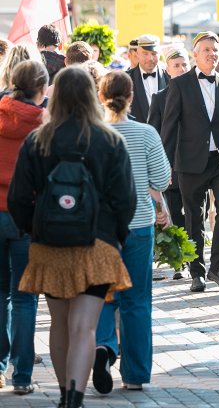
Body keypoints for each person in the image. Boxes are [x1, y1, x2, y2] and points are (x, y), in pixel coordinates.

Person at [8, 66, 136, 408]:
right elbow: (126, 199)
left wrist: (34, 230)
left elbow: (18, 198)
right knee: (84, 327)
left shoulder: (39, 140)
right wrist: (116, 237)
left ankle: (65, 392)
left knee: (59, 323)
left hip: (50, 246)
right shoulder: (110, 140)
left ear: (57, 96)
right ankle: (75, 399)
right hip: (98, 245)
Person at [92, 71, 170, 395]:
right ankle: (135, 373)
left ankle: (104, 347)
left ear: (100, 96)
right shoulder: (146, 133)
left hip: (100, 227)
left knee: (102, 296)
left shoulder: (91, 134)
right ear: (132, 97)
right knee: (137, 299)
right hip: (138, 223)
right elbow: (163, 179)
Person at [160, 32, 219, 293]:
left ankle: (218, 268)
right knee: (193, 219)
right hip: (190, 162)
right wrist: (165, 166)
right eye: (206, 50)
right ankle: (196, 271)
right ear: (195, 55)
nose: (212, 54)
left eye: (215, 50)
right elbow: (170, 127)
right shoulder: (180, 85)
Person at [0, 61, 47, 395]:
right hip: (27, 217)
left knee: (0, 293)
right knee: (25, 297)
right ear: (41, 89)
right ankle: (22, 376)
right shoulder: (44, 126)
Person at [147, 48, 189, 239]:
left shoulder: (202, 94)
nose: (181, 69)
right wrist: (160, 165)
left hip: (196, 163)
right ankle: (182, 260)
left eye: (184, 64)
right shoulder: (160, 98)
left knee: (196, 213)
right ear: (167, 70)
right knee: (176, 211)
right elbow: (154, 134)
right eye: (176, 66)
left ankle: (194, 251)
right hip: (171, 164)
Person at [126, 34, 169, 124]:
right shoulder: (126, 79)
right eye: (145, 53)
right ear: (137, 53)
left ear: (159, 54)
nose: (150, 58)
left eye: (154, 54)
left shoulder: (170, 77)